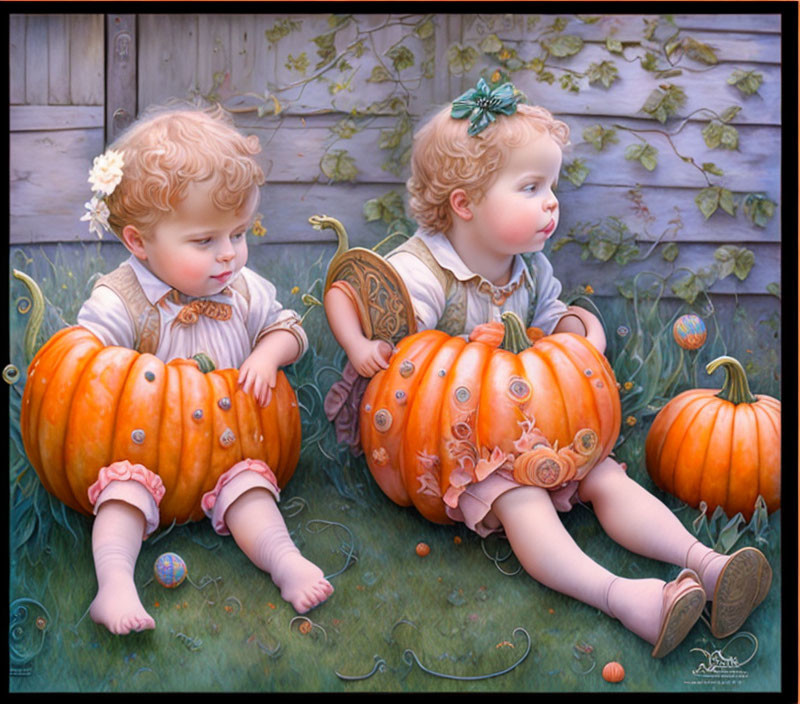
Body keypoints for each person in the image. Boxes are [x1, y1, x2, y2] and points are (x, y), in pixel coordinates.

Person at [323, 80, 770, 657]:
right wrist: (360, 345)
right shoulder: (422, 272)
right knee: (524, 502)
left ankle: (709, 566)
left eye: (551, 186)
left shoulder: (528, 269)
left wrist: (580, 335)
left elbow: (558, 320)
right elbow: (347, 290)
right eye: (531, 187)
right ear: (465, 204)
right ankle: (627, 598)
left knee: (605, 475)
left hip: (537, 427)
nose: (551, 201)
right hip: (459, 448)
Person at [75, 107, 332, 635]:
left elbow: (291, 330)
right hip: (144, 448)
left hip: (226, 448)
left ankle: (285, 562)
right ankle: (115, 583)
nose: (228, 255)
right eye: (205, 241)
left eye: (238, 235)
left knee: (251, 493)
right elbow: (87, 371)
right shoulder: (121, 299)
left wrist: (266, 354)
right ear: (139, 243)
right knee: (121, 497)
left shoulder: (244, 289)